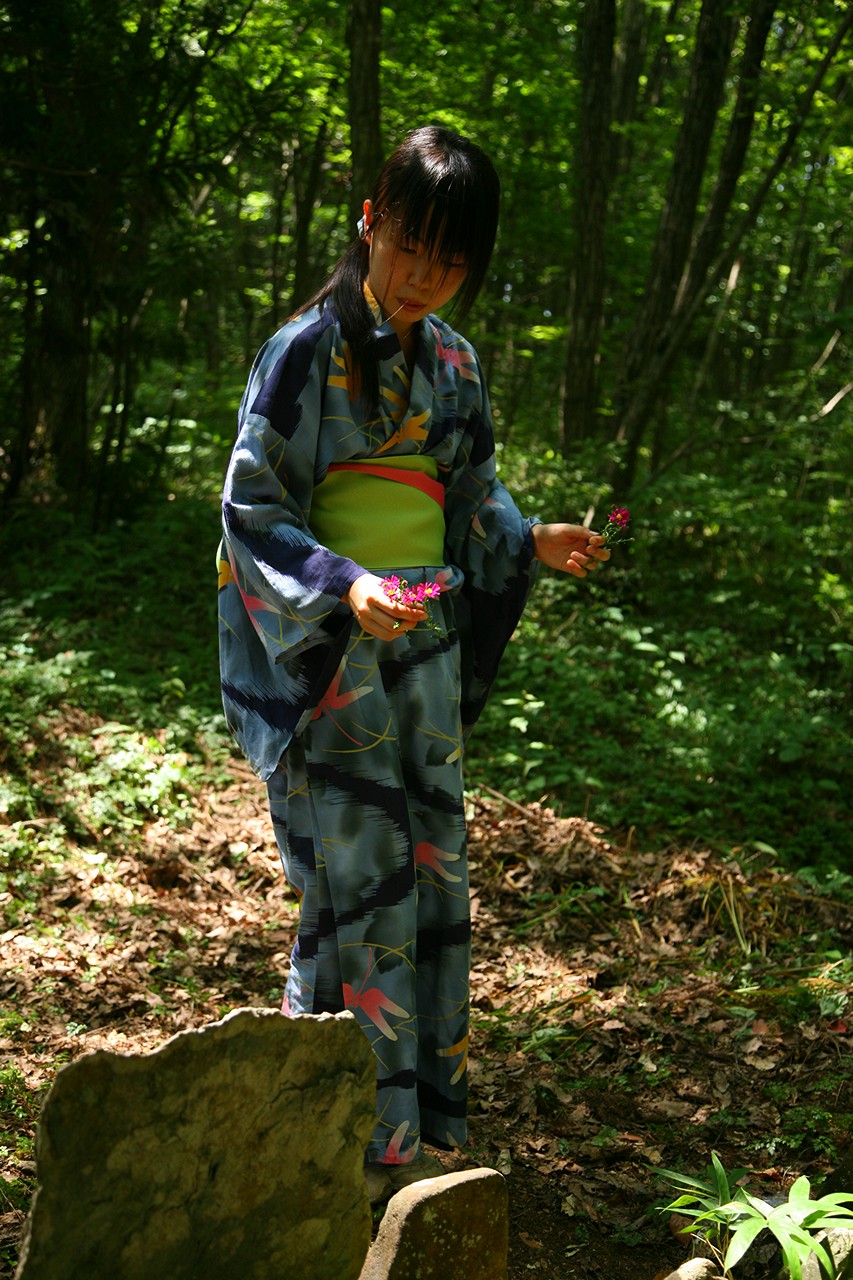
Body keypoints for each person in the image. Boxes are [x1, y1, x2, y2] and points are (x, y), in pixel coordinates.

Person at [218, 125, 610, 1203]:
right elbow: (253, 505)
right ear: (370, 222)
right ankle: (321, 1137)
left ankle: (405, 1140)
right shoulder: (303, 350)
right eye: (411, 246)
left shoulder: (455, 364)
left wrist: (532, 540)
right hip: (335, 660)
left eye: (450, 261)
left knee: (431, 878)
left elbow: (474, 498)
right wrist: (343, 584)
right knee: (352, 889)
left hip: (421, 652)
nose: (424, 276)